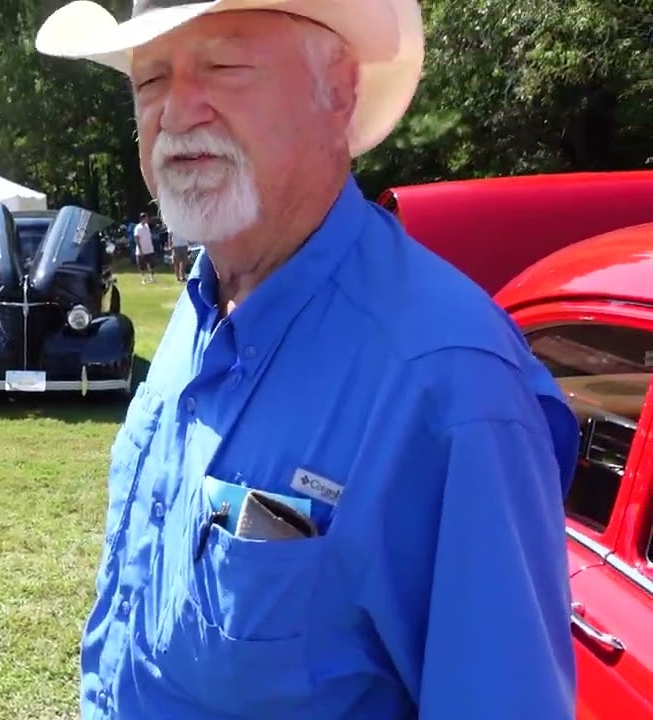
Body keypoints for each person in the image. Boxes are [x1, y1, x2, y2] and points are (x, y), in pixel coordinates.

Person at [36, 2, 578, 719]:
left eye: (224, 65)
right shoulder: (202, 304)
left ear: (339, 90)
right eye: (150, 79)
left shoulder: (453, 384)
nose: (175, 111)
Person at [133, 212, 155, 283]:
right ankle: (143, 278)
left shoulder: (147, 226)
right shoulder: (138, 228)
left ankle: (152, 278)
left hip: (149, 249)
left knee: (151, 264)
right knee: (142, 265)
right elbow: (136, 239)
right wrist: (140, 250)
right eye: (146, 218)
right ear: (142, 218)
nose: (147, 219)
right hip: (142, 250)